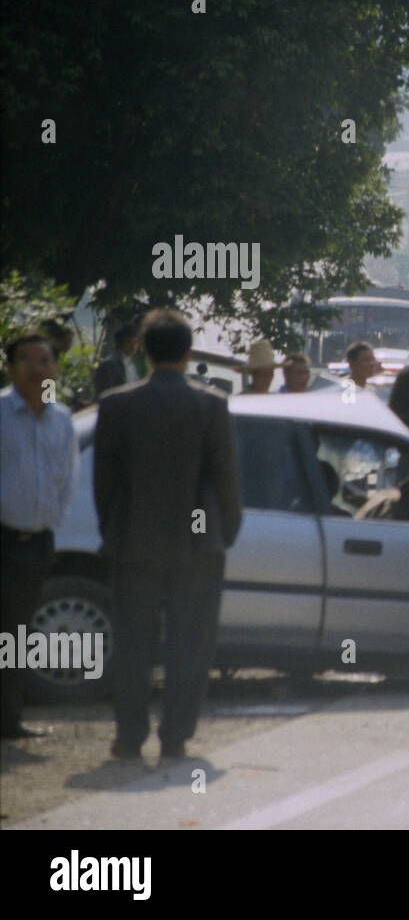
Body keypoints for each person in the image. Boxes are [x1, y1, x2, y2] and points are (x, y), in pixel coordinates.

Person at [94, 308, 242, 760]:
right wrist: (224, 534)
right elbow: (226, 481)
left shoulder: (117, 404)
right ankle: (175, 736)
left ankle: (129, 735)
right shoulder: (211, 404)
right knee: (189, 645)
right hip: (198, 546)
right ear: (189, 351)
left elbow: (105, 484)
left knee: (133, 644)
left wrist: (115, 532)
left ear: (143, 349)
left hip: (133, 543)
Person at [1, 332, 79, 738]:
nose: (37, 368)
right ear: (10, 367)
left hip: (35, 543)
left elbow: (68, 479)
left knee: (16, 633)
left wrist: (51, 523)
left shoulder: (62, 419)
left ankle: (9, 720)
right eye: (27, 360)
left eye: (45, 360)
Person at [93, 324, 141, 399]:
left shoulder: (133, 362)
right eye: (129, 342)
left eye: (135, 342)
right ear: (120, 343)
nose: (133, 346)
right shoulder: (110, 364)